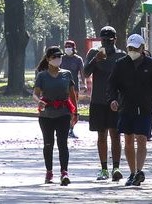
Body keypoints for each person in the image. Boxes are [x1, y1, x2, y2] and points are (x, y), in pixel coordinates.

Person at [108, 33, 152, 188]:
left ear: (142, 48)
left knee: (141, 139)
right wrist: (113, 99)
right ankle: (132, 172)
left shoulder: (151, 65)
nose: (132, 50)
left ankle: (139, 171)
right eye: (130, 48)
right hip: (126, 107)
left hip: (145, 108)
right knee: (128, 139)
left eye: (135, 48)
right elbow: (112, 85)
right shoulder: (120, 64)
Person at [83, 26, 124, 182]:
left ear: (115, 39)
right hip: (98, 100)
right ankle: (104, 168)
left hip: (114, 101)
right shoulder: (94, 53)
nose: (106, 42)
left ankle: (116, 167)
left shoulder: (121, 55)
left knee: (115, 135)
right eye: (103, 39)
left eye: (109, 39)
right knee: (101, 135)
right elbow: (86, 72)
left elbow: (125, 79)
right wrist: (95, 60)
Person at [33, 46, 77, 185]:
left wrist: (75, 112)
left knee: (63, 143)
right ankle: (49, 172)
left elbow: (72, 94)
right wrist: (38, 101)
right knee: (48, 143)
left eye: (59, 57)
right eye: (54, 57)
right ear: (48, 59)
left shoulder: (67, 74)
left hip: (63, 112)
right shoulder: (42, 75)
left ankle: (64, 172)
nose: (57, 59)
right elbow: (35, 93)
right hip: (46, 114)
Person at [60, 39, 84, 138]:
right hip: (62, 87)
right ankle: (62, 129)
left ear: (74, 48)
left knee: (73, 109)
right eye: (66, 47)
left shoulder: (78, 59)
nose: (67, 49)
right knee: (63, 109)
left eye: (69, 47)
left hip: (74, 88)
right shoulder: (61, 58)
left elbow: (82, 73)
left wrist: (84, 84)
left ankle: (71, 128)